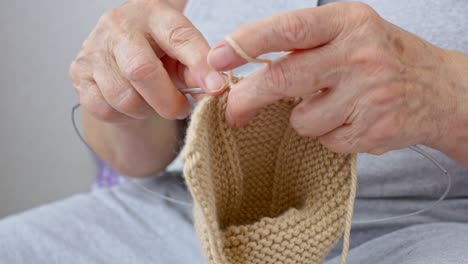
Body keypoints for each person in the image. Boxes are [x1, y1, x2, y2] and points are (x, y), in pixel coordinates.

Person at [1, 0, 467, 263]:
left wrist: (443, 91)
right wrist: (125, 91)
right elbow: (129, 158)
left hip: (424, 229)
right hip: (175, 216)